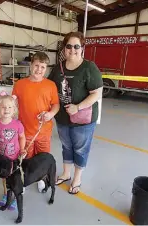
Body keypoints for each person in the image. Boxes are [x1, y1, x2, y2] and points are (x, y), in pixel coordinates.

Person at [48, 31, 103, 194]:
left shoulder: (89, 67)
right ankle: (66, 173)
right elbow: (49, 88)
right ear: (64, 49)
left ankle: (77, 178)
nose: (73, 49)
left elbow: (97, 93)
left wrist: (77, 107)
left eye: (76, 46)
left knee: (80, 148)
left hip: (83, 119)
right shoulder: (57, 68)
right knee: (66, 146)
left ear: (82, 48)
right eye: (69, 46)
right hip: (63, 117)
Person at [12, 51, 60, 192]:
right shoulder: (20, 84)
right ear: (30, 65)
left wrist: (50, 114)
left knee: (42, 158)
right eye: (37, 65)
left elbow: (56, 104)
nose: (39, 70)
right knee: (26, 158)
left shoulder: (50, 85)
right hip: (25, 131)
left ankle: (40, 179)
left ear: (47, 69)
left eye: (43, 67)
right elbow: (12, 103)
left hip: (44, 131)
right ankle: (24, 179)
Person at [0, 91, 26, 210]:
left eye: (10, 107)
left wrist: (22, 149)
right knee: (5, 179)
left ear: (14, 109)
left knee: (14, 179)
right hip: (2, 159)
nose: (7, 109)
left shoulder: (18, 124)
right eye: (3, 107)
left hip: (14, 158)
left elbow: (22, 137)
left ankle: (14, 196)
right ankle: (6, 195)